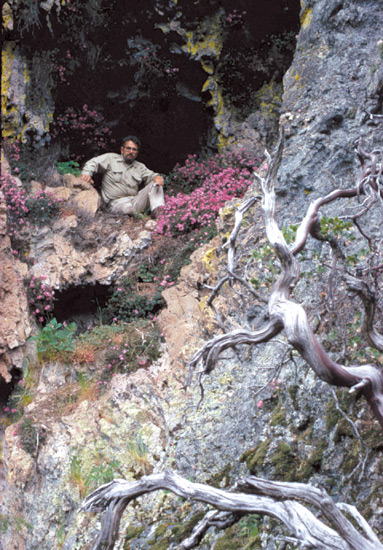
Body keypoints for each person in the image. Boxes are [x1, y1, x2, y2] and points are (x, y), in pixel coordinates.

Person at [81, 136, 165, 217]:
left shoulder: (139, 167)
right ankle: (137, 215)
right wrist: (87, 174)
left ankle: (159, 215)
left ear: (137, 153)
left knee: (157, 183)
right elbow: (93, 163)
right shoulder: (111, 159)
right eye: (128, 148)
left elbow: (151, 175)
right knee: (128, 209)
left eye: (134, 149)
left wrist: (157, 177)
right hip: (114, 203)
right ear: (122, 150)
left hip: (134, 201)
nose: (131, 151)